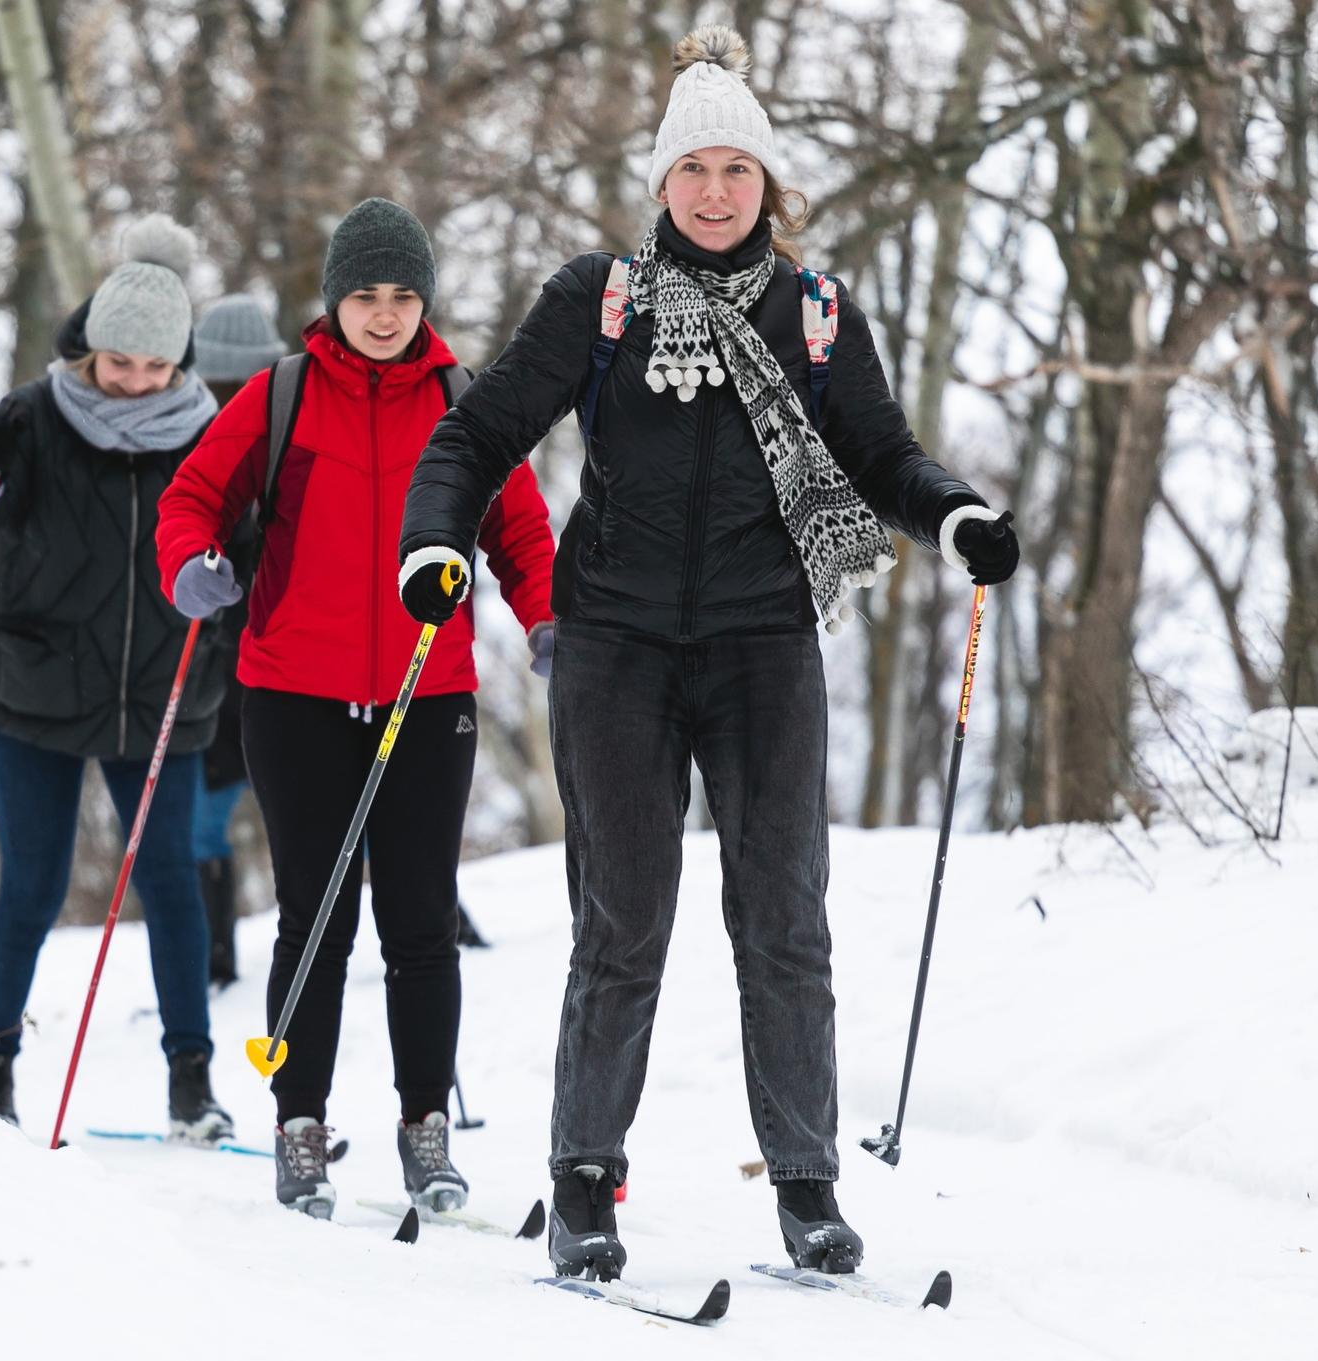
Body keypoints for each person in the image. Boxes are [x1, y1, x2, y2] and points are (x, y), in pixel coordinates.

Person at [398, 28, 1020, 1281]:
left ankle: (807, 1185)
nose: (718, 192)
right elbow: (474, 437)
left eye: (740, 170)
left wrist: (955, 513)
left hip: (760, 648)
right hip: (615, 646)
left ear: (770, 187)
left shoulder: (818, 314)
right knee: (622, 921)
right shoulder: (600, 298)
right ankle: (584, 1181)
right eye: (696, 170)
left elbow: (880, 456)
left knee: (784, 919)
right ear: (663, 183)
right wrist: (432, 545)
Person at [157, 198, 557, 1218]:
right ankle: (301, 1124)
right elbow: (191, 497)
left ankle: (426, 1127)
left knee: (419, 920)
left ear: (425, 300)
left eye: (402, 295)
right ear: (334, 300)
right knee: (315, 915)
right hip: (292, 691)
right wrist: (190, 568)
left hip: (428, 693)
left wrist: (549, 618)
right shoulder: (279, 394)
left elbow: (519, 529)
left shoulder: (465, 400)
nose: (383, 315)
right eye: (365, 296)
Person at [0, 216, 230, 1140]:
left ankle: (191, 1082)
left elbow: (251, 541)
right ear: (92, 349)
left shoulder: (210, 432)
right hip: (34, 692)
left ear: (178, 363)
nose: (134, 382)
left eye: (154, 367)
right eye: (118, 363)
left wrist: (232, 579)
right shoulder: (29, 416)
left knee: (171, 878)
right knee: (34, 882)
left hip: (160, 691)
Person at [185, 294, 289, 987]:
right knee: (201, 819)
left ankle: (442, 922)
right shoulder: (188, 449)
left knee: (348, 808)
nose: (231, 399)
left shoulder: (293, 442)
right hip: (212, 673)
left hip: (288, 662)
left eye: (247, 382)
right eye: (219, 385)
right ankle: (211, 957)